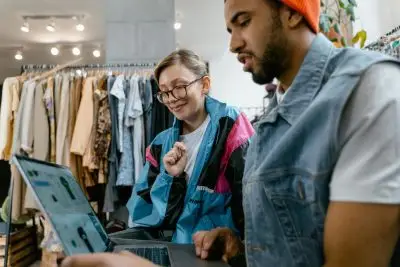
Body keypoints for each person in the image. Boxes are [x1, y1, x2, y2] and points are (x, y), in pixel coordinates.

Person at [61, 0, 400, 266]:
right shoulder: (274, 119)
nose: (235, 43)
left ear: (292, 13)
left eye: (244, 21)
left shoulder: (367, 90)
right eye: (165, 92)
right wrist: (238, 250)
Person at [124, 49, 254, 244]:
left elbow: (251, 203)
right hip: (176, 251)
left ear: (205, 84)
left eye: (180, 87)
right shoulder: (160, 145)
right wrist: (170, 178)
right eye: (165, 92)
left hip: (217, 254)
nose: (172, 98)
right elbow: (141, 214)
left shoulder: (230, 125)